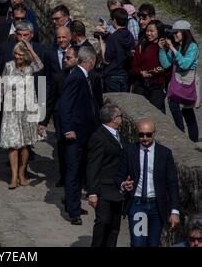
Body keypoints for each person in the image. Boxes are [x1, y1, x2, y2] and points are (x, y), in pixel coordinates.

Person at [116, 118, 180, 247]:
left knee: (153, 243)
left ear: (154, 133)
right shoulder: (129, 151)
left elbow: (172, 183)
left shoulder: (164, 153)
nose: (144, 138)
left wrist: (174, 211)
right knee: (138, 243)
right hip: (138, 204)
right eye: (141, 135)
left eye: (148, 135)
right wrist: (124, 184)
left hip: (157, 206)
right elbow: (119, 176)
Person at [0, 40, 43, 189]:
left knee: (25, 144)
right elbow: (1, 84)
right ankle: (13, 176)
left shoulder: (29, 68)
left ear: (26, 55)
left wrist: (30, 49)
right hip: (11, 110)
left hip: (27, 110)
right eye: (16, 53)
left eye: (21, 54)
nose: (18, 56)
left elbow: (40, 65)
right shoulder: (8, 66)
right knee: (13, 144)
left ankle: (22, 172)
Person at [58, 46, 99, 225]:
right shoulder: (76, 77)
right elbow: (65, 105)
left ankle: (73, 203)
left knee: (80, 170)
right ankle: (73, 211)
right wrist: (67, 129)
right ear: (91, 61)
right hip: (74, 134)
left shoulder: (83, 76)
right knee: (73, 172)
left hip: (84, 133)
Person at [38, 46, 78, 187]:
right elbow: (51, 100)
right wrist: (43, 122)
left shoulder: (88, 76)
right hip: (62, 119)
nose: (65, 60)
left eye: (68, 58)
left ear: (77, 59)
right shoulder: (59, 77)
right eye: (65, 57)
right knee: (62, 150)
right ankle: (64, 177)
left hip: (79, 120)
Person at [87, 104, 124, 247]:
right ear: (114, 119)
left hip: (116, 188)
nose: (121, 118)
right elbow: (92, 166)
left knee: (115, 226)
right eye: (120, 116)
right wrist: (92, 193)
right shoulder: (99, 136)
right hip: (103, 188)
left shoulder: (116, 134)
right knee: (103, 222)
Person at [158, 20, 199, 142]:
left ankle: (193, 142)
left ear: (184, 33)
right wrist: (161, 50)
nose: (174, 35)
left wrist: (173, 49)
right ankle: (180, 136)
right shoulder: (176, 46)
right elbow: (166, 64)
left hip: (187, 84)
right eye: (173, 33)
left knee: (188, 113)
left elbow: (185, 64)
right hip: (176, 85)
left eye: (176, 33)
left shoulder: (192, 47)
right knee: (173, 106)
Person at [131, 20, 166, 111]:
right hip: (141, 85)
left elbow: (168, 67)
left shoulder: (165, 47)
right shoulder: (142, 45)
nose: (149, 33)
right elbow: (134, 67)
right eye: (147, 31)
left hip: (156, 87)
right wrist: (141, 73)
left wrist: (159, 70)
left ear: (159, 32)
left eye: (152, 31)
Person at [99, 7, 135, 93]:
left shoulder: (113, 37)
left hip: (112, 75)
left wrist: (102, 43)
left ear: (114, 20)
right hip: (126, 74)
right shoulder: (130, 36)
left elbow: (106, 59)